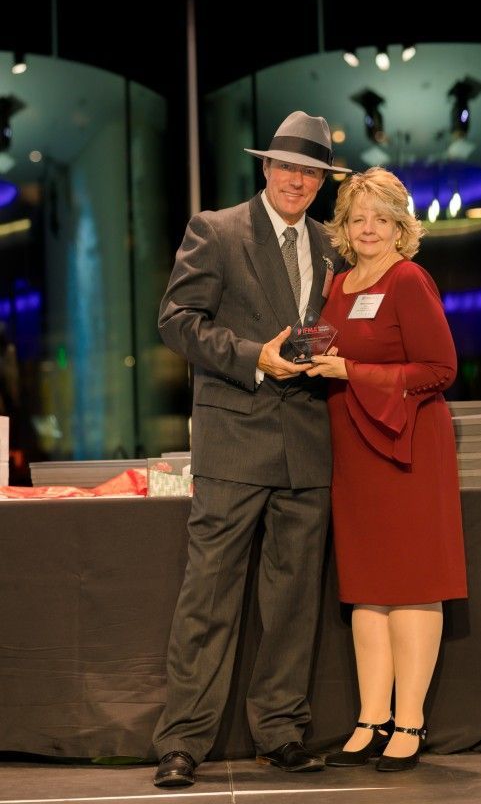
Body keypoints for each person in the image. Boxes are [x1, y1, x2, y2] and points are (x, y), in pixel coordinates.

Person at [152, 111, 350, 788]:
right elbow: (176, 322)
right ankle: (182, 743)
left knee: (294, 601)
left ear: (323, 181)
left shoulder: (332, 245)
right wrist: (252, 356)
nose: (298, 180)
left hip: (307, 443)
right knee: (208, 594)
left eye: (312, 171)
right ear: (266, 168)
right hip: (235, 434)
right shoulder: (217, 228)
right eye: (288, 166)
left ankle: (283, 732)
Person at [306, 167, 468, 772]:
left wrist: (352, 373)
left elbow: (439, 369)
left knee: (412, 588)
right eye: (357, 217)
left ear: (402, 225)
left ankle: (410, 722)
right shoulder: (340, 285)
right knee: (367, 594)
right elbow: (326, 346)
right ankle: (371, 718)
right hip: (352, 449)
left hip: (407, 448)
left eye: (380, 217)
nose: (368, 227)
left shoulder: (409, 278)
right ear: (344, 228)